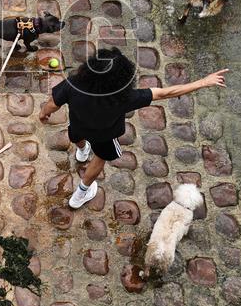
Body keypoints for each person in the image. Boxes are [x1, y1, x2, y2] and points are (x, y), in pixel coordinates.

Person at [38, 47, 228, 209]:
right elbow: (166, 93)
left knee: (76, 135)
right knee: (100, 158)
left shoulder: (74, 84)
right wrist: (203, 82)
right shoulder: (125, 98)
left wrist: (43, 114)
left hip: (78, 125)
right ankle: (80, 194)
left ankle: (81, 151)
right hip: (104, 136)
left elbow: (53, 104)